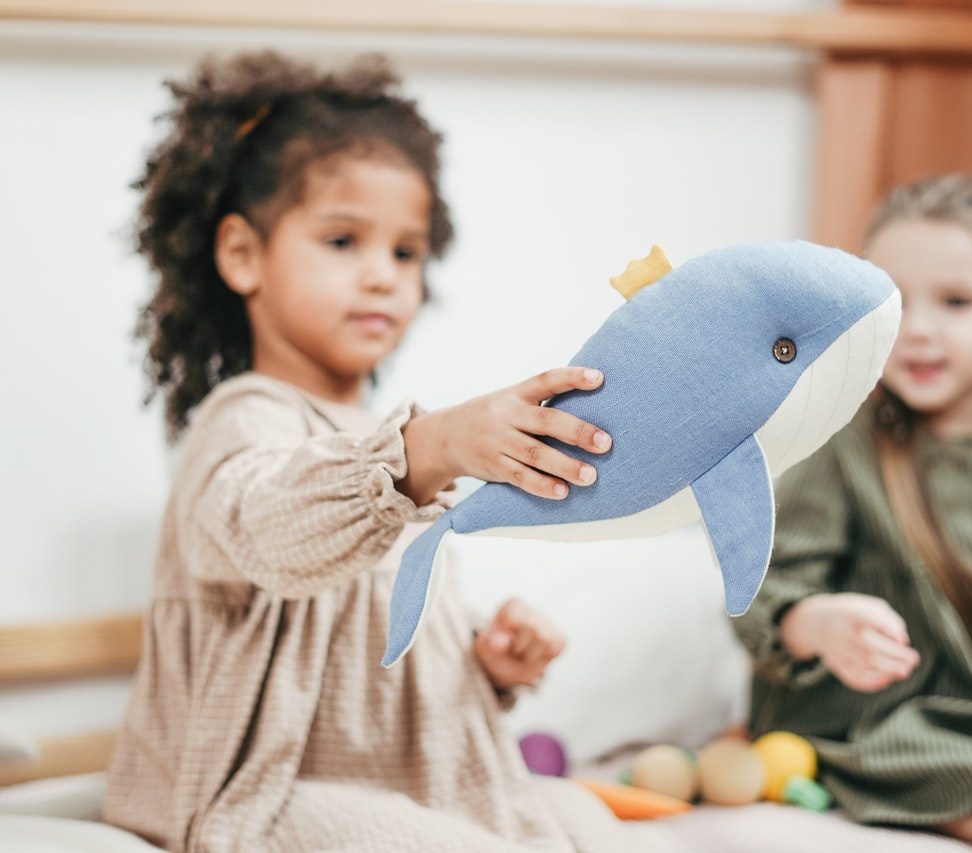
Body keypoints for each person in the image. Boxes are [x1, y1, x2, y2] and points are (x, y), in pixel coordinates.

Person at [102, 50, 665, 853]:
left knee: (590, 824)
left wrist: (485, 656)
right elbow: (269, 531)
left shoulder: (383, 445)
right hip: (270, 791)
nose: (382, 277)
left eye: (405, 252)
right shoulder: (244, 419)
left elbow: (376, 628)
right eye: (342, 241)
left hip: (415, 780)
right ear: (242, 255)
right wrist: (428, 446)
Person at [735, 174, 972, 851]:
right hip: (882, 723)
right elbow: (756, 585)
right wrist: (815, 621)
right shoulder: (845, 444)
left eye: (956, 302)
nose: (917, 329)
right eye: (893, 301)